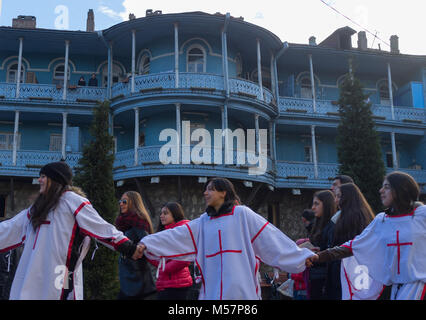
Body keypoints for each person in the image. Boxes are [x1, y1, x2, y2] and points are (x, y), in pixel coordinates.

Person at [136, 177, 315, 300]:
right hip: (212, 295)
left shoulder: (242, 215)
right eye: (205, 190)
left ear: (223, 193)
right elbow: (175, 236)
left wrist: (300, 257)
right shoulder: (203, 223)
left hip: (242, 295)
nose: (205, 193)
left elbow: (272, 239)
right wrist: (146, 243)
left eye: (210, 190)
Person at [0, 161, 140, 300]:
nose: (39, 180)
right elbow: (11, 227)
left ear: (55, 179)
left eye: (43, 176)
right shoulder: (37, 208)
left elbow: (100, 227)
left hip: (61, 271)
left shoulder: (73, 201)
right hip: (34, 270)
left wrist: (128, 247)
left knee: (59, 293)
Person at [307, 171, 426, 300]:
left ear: (402, 189)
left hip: (420, 286)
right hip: (396, 288)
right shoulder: (382, 220)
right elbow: (353, 246)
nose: (381, 191)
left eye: (386, 187)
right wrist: (318, 257)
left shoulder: (422, 215)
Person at [327, 182, 375, 300]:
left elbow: (346, 247)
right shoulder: (363, 215)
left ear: (347, 198)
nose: (336, 201)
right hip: (358, 272)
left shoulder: (350, 218)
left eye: (339, 196)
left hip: (347, 271)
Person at [115, 191, 156, 300]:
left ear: (133, 203)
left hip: (136, 277)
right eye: (120, 201)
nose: (121, 204)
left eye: (124, 201)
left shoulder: (138, 221)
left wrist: (136, 250)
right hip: (127, 275)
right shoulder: (123, 222)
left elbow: (147, 242)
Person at [149, 202, 193, 300]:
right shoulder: (163, 234)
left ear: (175, 214)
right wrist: (147, 254)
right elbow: (159, 260)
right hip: (164, 284)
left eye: (165, 213)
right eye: (161, 213)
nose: (161, 216)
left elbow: (185, 258)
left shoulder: (183, 231)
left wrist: (166, 268)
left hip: (178, 286)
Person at [308, 190, 337, 300]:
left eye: (316, 204)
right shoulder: (318, 225)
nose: (313, 207)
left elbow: (333, 252)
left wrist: (319, 252)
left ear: (326, 204)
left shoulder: (332, 226)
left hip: (324, 278)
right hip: (315, 275)